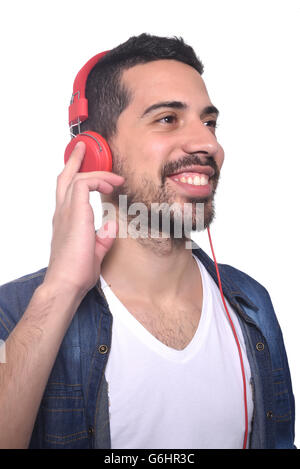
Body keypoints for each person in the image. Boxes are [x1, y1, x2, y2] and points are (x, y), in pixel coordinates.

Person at [0, 33, 296, 450]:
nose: (208, 144)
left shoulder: (250, 302)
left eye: (209, 122)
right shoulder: (14, 315)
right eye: (167, 119)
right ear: (94, 152)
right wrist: (60, 289)